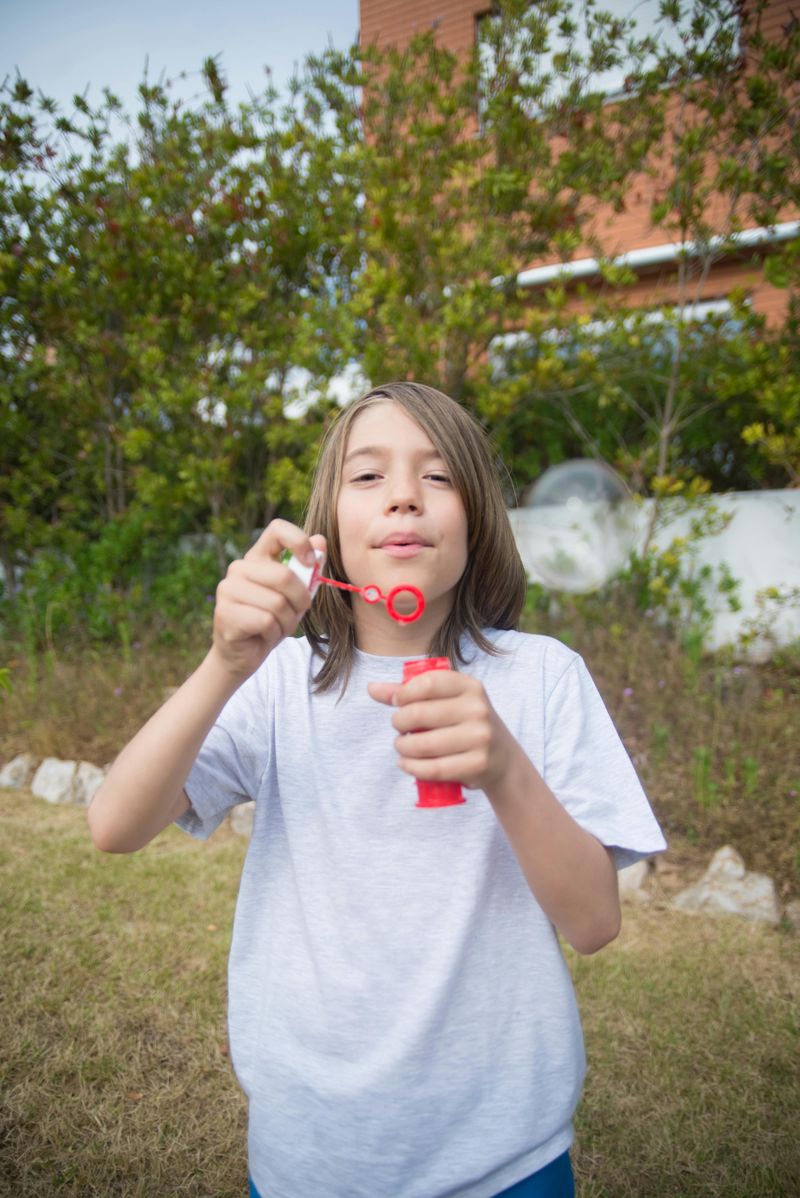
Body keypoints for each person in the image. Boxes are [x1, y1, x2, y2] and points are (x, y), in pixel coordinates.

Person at [89, 381, 666, 1198]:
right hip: (310, 1152)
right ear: (324, 536)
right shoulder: (278, 681)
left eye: (437, 477)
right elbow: (114, 825)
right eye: (368, 477)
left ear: (476, 520)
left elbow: (595, 921)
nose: (403, 495)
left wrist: (503, 766)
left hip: (505, 1153)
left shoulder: (542, 678)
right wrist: (224, 664)